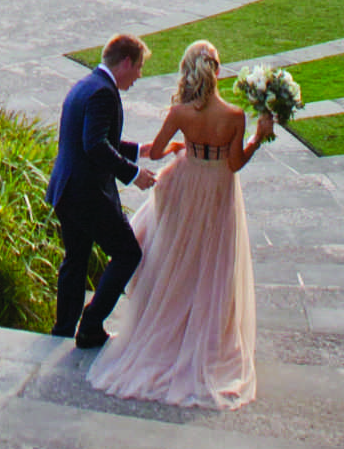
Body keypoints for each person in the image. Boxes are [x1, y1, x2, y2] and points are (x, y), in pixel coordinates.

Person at [89, 37, 268, 410]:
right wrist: (258, 137)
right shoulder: (235, 117)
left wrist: (178, 147)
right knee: (212, 263)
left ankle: (169, 331)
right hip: (218, 188)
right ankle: (204, 339)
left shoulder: (180, 113)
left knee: (177, 259)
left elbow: (154, 151)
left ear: (189, 71)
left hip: (186, 185)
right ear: (217, 71)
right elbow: (235, 163)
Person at [47, 32, 150, 350]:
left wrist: (138, 150)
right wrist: (133, 174)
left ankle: (63, 328)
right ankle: (91, 326)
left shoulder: (84, 85)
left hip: (66, 191)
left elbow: (91, 137)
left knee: (75, 260)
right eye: (139, 68)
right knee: (127, 253)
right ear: (126, 62)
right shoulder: (105, 93)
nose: (139, 76)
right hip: (88, 194)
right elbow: (94, 145)